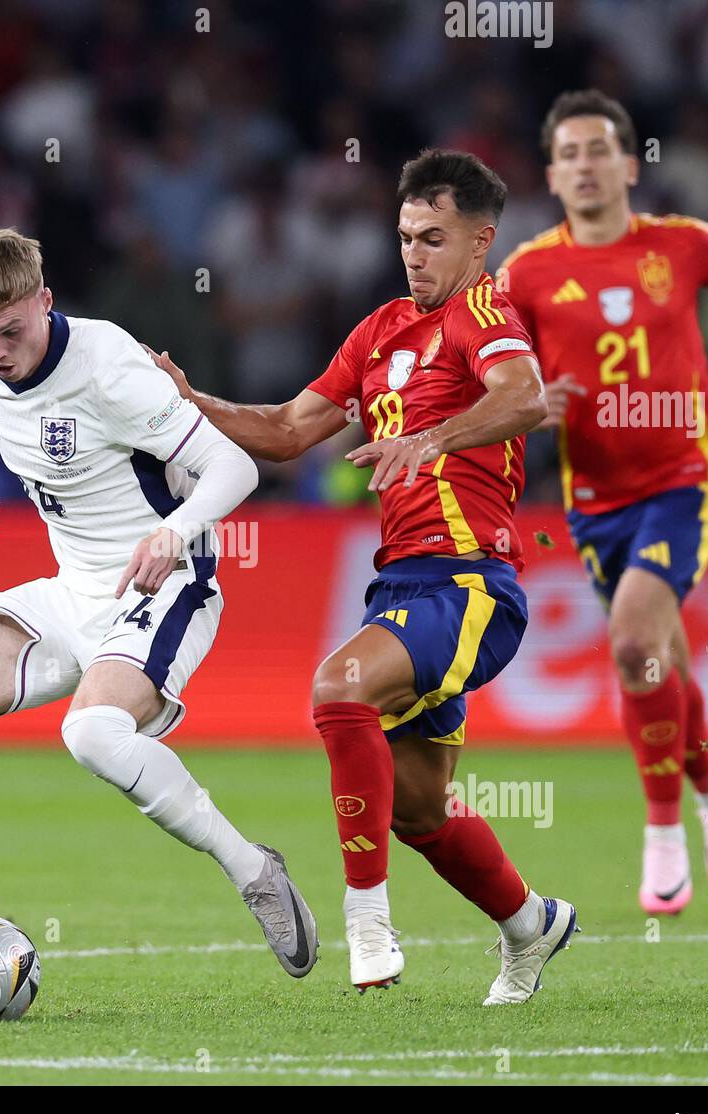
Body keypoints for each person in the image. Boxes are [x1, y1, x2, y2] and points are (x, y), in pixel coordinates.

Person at [0, 229, 317, 999]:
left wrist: (172, 531)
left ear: (46, 302)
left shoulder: (109, 369)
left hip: (165, 586)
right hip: (70, 588)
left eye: (12, 331)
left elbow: (235, 464)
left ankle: (253, 870)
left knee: (89, 733)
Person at [150, 151, 577, 1004]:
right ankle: (532, 925)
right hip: (403, 589)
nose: (414, 253)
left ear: (480, 242)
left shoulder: (484, 314)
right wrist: (190, 400)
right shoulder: (380, 330)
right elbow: (281, 430)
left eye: (433, 237)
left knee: (339, 689)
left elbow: (529, 396)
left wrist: (435, 437)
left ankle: (367, 918)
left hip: (472, 586)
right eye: (405, 237)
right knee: (421, 810)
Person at [496, 90, 708, 915]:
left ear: (629, 164)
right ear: (552, 174)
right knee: (661, 659)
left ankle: (664, 828)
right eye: (568, 154)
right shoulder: (528, 271)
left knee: (633, 640)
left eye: (598, 150)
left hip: (682, 477)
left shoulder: (683, 244)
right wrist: (536, 403)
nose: (585, 166)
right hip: (595, 494)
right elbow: (492, 372)